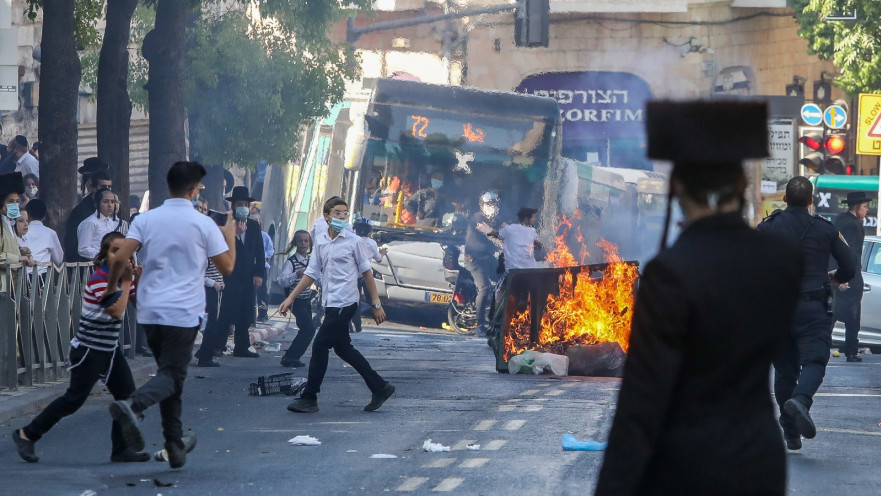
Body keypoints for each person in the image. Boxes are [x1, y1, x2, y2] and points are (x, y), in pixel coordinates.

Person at [594, 101, 804, 496]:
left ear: (676, 187)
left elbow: (642, 401)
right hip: (758, 460)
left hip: (686, 466)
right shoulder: (782, 262)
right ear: (742, 186)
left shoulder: (670, 273)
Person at [103, 161, 236, 470]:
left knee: (170, 374)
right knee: (173, 375)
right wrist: (228, 233)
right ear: (193, 190)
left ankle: (174, 445)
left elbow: (122, 255)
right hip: (182, 311)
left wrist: (113, 289)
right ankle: (132, 406)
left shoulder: (147, 219)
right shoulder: (203, 223)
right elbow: (227, 267)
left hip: (149, 309)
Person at [12, 232, 149, 464]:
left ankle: (121, 450)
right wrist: (127, 282)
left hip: (109, 349)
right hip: (89, 349)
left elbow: (142, 308)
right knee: (73, 399)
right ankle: (26, 434)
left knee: (126, 396)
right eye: (115, 250)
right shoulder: (101, 278)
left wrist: (138, 281)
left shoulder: (122, 278)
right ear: (105, 255)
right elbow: (115, 311)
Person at [757, 176, 857, 451]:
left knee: (784, 369)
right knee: (815, 360)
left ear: (785, 199)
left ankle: (790, 432)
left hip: (777, 309)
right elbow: (850, 265)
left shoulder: (768, 228)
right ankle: (801, 400)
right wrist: (836, 276)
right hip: (812, 307)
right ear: (811, 200)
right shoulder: (825, 229)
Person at [280, 197, 394, 414]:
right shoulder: (321, 241)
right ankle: (380, 386)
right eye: (338, 213)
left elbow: (367, 274)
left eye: (345, 213)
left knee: (320, 344)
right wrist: (291, 297)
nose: (342, 216)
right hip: (330, 303)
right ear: (327, 216)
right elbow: (311, 273)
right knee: (343, 348)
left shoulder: (354, 242)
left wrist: (376, 304)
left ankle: (309, 397)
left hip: (346, 303)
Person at [216, 186, 265, 358]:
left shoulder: (253, 226)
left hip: (248, 275)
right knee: (226, 311)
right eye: (239, 204)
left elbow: (260, 251)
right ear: (233, 206)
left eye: (245, 204)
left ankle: (242, 346)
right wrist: (235, 235)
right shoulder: (226, 224)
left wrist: (259, 273)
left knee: (245, 312)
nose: (242, 207)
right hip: (229, 274)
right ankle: (218, 344)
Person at [830, 191, 870, 362]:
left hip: (841, 274)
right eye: (864, 207)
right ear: (856, 207)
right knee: (850, 315)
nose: (867, 210)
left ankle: (848, 350)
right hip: (848, 275)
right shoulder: (850, 225)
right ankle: (851, 351)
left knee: (834, 313)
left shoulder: (843, 220)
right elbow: (848, 252)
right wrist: (844, 277)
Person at [464, 191, 503, 337]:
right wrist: (501, 242)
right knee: (484, 288)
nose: (492, 207)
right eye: (489, 204)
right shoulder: (477, 218)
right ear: (482, 205)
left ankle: (496, 319)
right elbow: (489, 233)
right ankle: (479, 324)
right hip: (474, 260)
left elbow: (506, 229)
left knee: (503, 281)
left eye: (494, 204)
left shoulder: (498, 220)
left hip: (487, 258)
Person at [193, 198, 226, 367]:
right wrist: (212, 283)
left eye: (204, 209)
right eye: (198, 208)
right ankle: (204, 356)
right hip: (201, 288)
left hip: (212, 287)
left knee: (210, 323)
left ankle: (204, 354)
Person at [278, 230, 318, 368]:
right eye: (300, 241)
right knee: (308, 329)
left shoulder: (311, 261)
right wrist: (296, 274)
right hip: (295, 301)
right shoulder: (291, 262)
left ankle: (291, 356)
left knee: (306, 329)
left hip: (306, 299)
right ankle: (290, 357)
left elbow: (317, 278)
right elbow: (282, 281)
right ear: (295, 243)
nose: (303, 243)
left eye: (306, 241)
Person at [65, 158, 111, 262]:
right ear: (90, 183)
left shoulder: (112, 210)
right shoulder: (81, 212)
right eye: (102, 186)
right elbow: (73, 247)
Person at [350, 218, 386, 333]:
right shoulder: (372, 243)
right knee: (370, 298)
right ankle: (373, 315)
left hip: (353, 276)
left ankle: (355, 324)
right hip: (366, 277)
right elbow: (379, 259)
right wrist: (382, 253)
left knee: (354, 302)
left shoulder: (351, 241)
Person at [1, 172, 33, 294]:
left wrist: (21, 251)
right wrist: (18, 258)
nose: (14, 205)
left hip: (13, 287)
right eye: (10, 201)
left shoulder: (9, 224)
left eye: (17, 201)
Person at [77, 188, 124, 261]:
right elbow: (83, 249)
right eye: (105, 202)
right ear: (97, 204)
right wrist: (103, 255)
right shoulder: (90, 223)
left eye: (112, 202)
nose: (110, 205)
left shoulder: (110, 221)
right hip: (94, 265)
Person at [22, 199, 63, 276]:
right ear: (44, 216)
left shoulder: (21, 231)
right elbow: (58, 259)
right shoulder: (50, 233)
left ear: (27, 214)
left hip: (23, 278)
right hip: (43, 278)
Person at [257, 223, 274, 323]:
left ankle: (262, 314)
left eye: (258, 221)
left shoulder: (264, 236)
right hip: (248, 266)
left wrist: (262, 256)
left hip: (261, 266)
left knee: (262, 291)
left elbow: (270, 250)